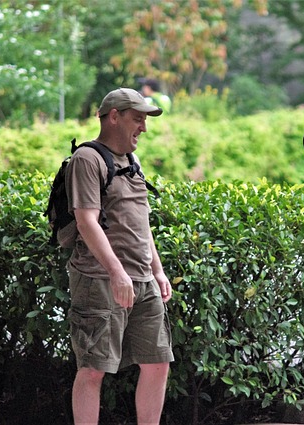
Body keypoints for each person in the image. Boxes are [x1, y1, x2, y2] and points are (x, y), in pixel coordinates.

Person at [65, 87, 174, 425]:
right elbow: (86, 221)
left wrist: (156, 270)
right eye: (137, 119)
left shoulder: (132, 161)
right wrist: (116, 272)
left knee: (158, 362)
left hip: (142, 279)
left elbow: (141, 222)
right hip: (99, 281)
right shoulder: (88, 159)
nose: (143, 127)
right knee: (93, 368)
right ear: (114, 116)